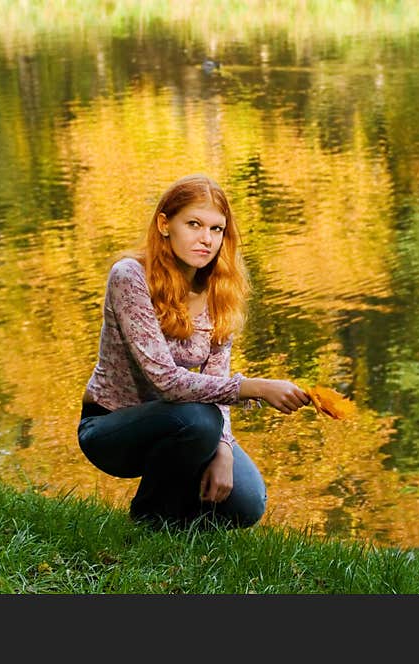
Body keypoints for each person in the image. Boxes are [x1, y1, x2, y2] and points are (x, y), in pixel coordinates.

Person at [77, 173, 312, 529]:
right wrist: (257, 388)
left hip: (188, 425)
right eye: (194, 224)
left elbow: (215, 379)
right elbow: (166, 381)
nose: (206, 239)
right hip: (112, 426)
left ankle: (181, 520)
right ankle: (150, 523)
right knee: (196, 419)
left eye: (217, 229)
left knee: (247, 504)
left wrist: (224, 448)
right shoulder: (129, 276)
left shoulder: (220, 291)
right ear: (165, 224)